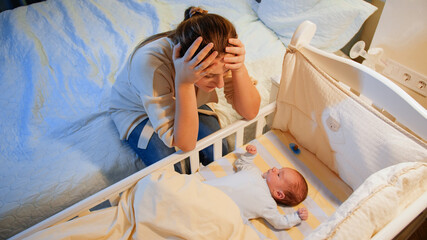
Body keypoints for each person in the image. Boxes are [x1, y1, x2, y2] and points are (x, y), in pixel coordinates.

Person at [109, 6, 261, 168]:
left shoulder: (217, 55)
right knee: (174, 166)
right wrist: (184, 83)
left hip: (189, 98)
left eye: (224, 72)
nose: (220, 84)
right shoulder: (150, 64)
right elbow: (186, 144)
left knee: (219, 150)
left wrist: (238, 67)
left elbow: (250, 112)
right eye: (208, 75)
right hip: (138, 111)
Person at [204, 144, 309, 230]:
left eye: (278, 175)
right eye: (279, 169)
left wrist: (297, 217)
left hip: (220, 214)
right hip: (209, 191)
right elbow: (241, 163)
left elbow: (279, 222)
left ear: (278, 193)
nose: (274, 168)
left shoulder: (268, 204)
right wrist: (250, 155)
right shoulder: (254, 172)